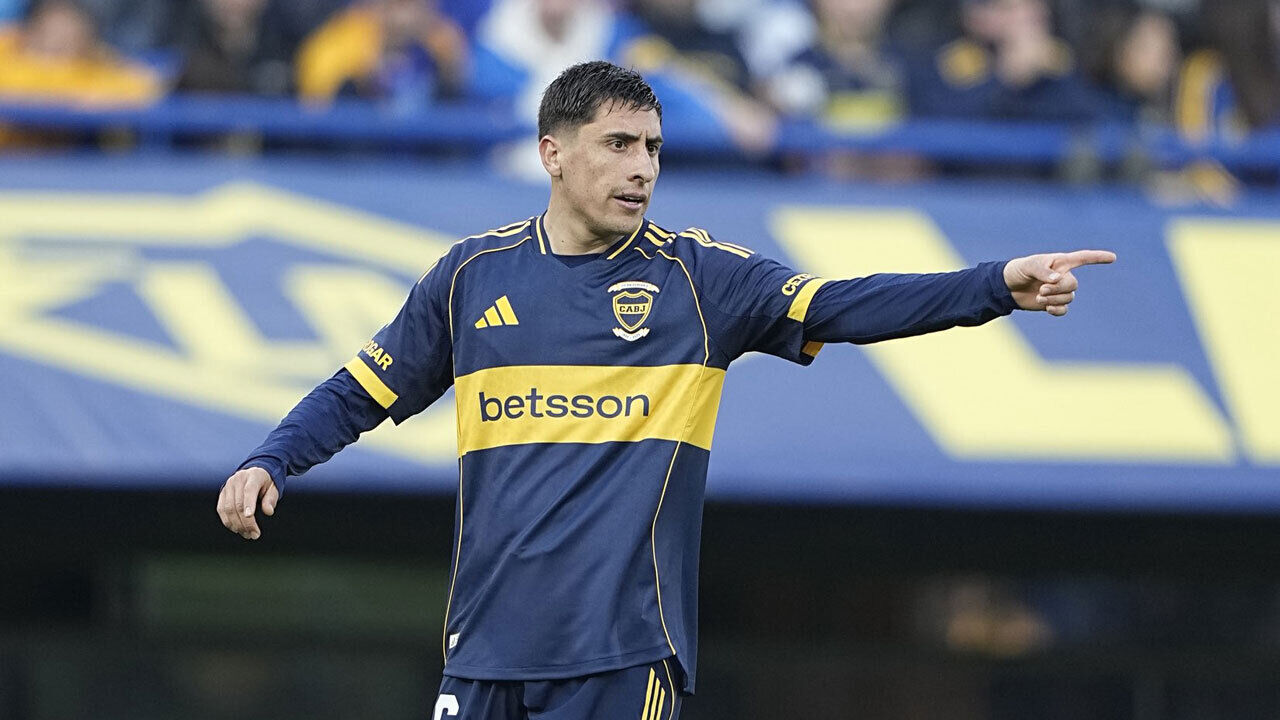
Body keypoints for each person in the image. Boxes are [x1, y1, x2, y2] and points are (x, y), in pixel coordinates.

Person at [217, 60, 1115, 719]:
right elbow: (358, 390)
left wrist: (996, 284)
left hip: (622, 656)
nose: (642, 166)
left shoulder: (700, 280)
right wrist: (271, 458)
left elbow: (843, 305)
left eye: (652, 146)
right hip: (482, 653)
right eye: (617, 145)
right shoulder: (470, 278)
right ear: (552, 154)